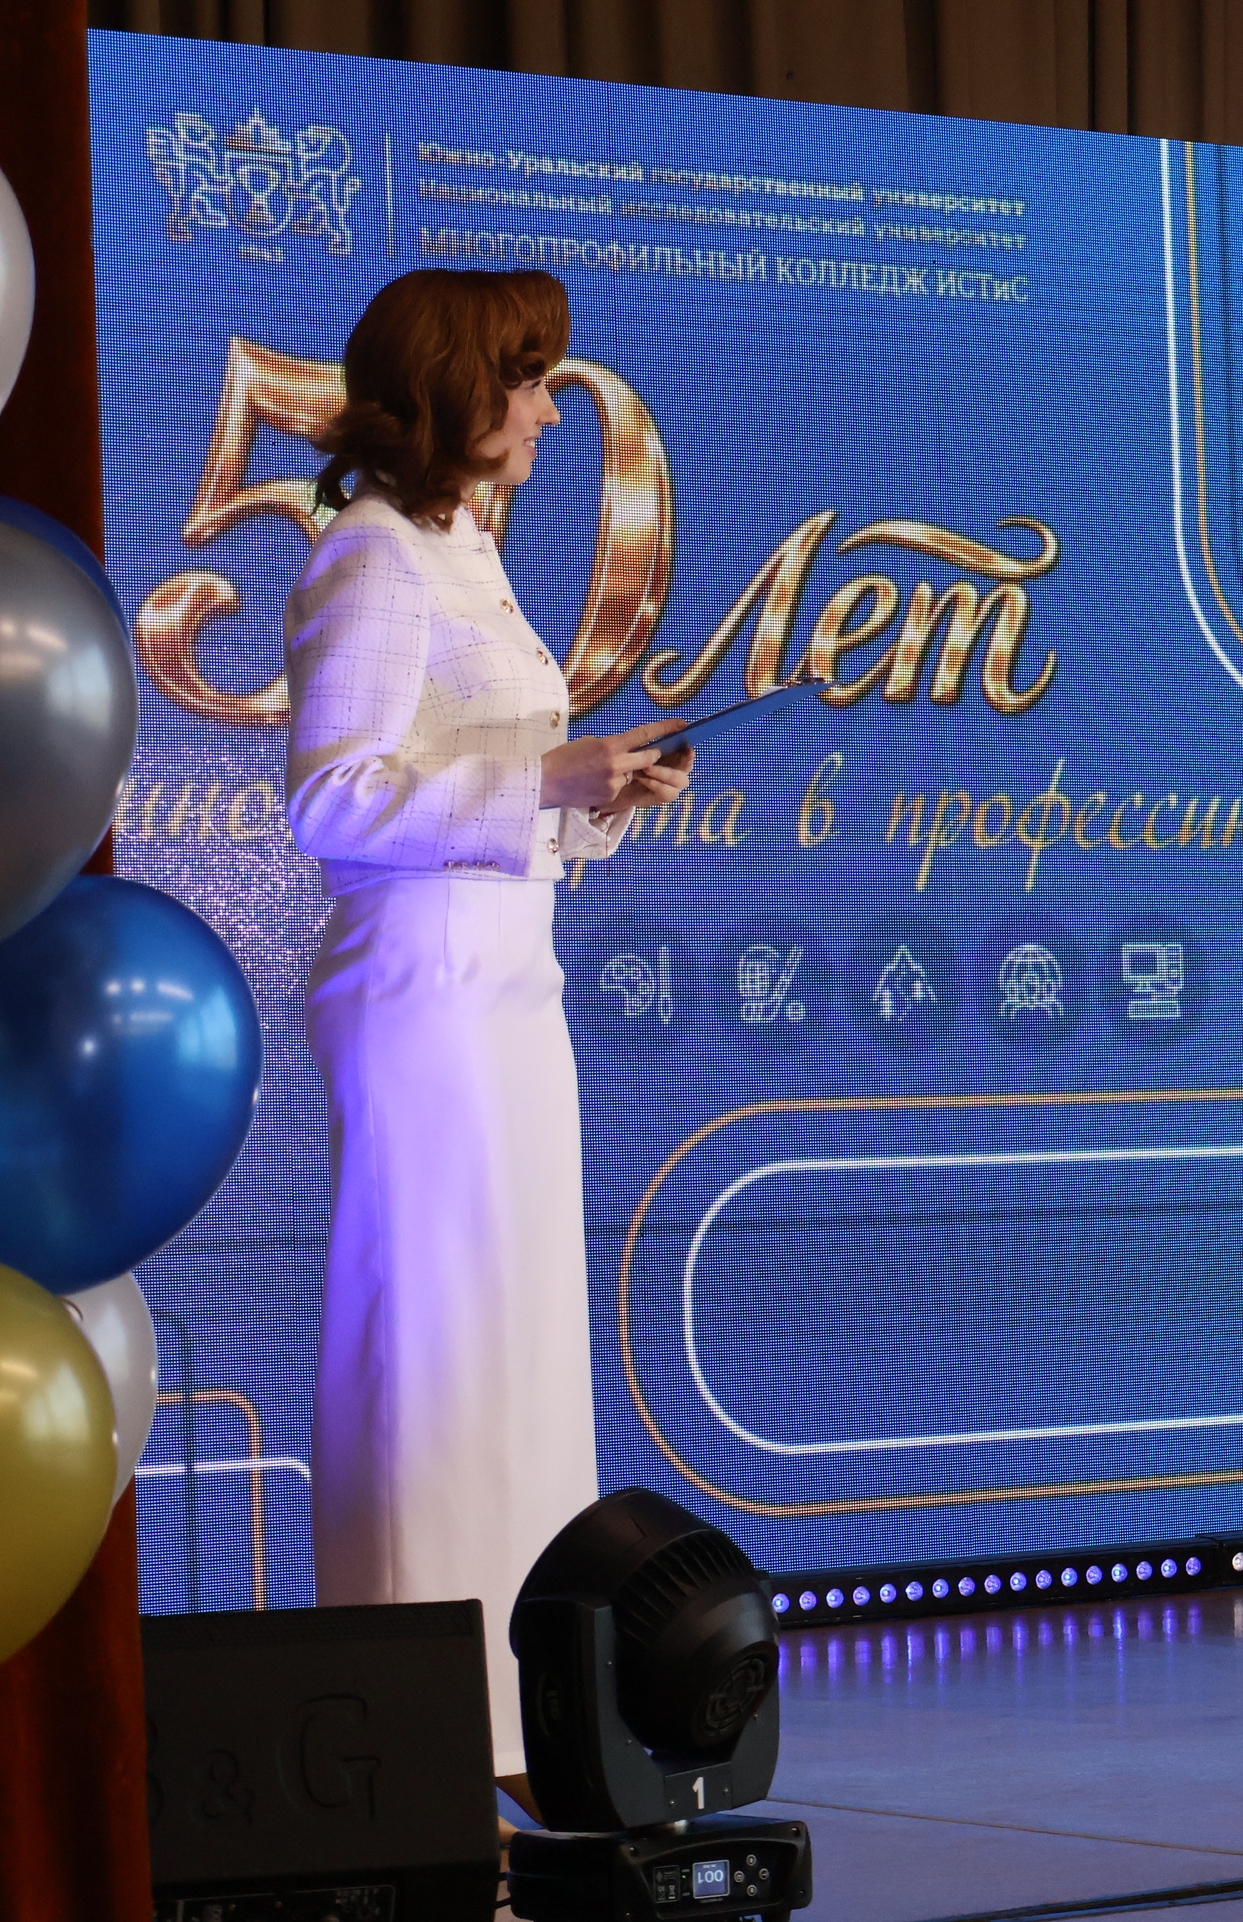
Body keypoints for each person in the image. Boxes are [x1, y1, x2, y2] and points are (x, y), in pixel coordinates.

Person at [285, 267, 692, 1799]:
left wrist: (594, 799)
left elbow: (501, 797)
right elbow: (332, 799)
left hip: (509, 992)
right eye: (527, 383)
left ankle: (521, 1722)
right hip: (425, 1000)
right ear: (459, 390)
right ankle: (417, 1733)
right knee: (433, 1360)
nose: (546, 413)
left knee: (515, 1357)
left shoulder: (469, 547)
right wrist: (540, 782)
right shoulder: (372, 554)